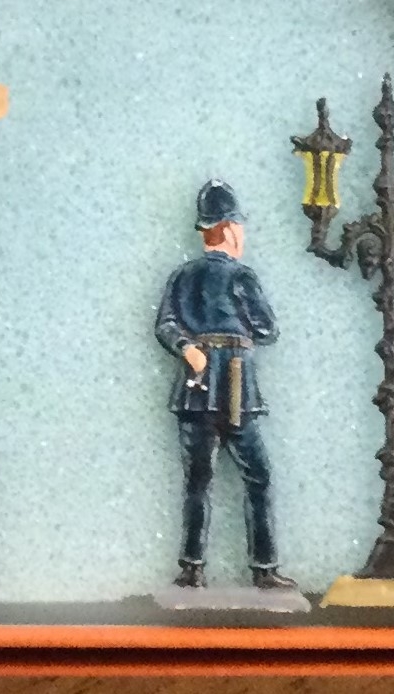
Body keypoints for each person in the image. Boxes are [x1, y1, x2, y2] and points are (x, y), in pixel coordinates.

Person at [155, 180, 295, 593]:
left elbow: (165, 324)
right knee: (258, 476)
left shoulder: (182, 276)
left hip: (195, 389)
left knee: (197, 481)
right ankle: (263, 567)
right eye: (239, 227)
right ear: (230, 229)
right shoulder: (242, 276)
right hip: (235, 388)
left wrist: (186, 347)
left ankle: (192, 567)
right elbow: (267, 329)